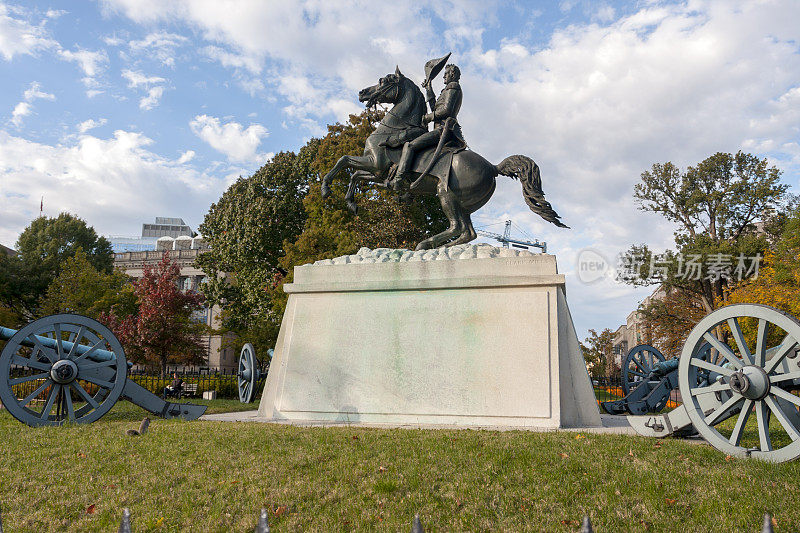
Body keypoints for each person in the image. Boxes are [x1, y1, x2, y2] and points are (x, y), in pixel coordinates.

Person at [394, 64, 466, 190]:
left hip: (444, 129)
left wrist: (428, 117)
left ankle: (399, 179)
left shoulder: (453, 86)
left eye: (446, 73)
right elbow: (435, 108)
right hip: (440, 128)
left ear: (452, 75)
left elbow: (446, 110)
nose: (443, 75)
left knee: (410, 146)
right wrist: (428, 88)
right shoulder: (447, 90)